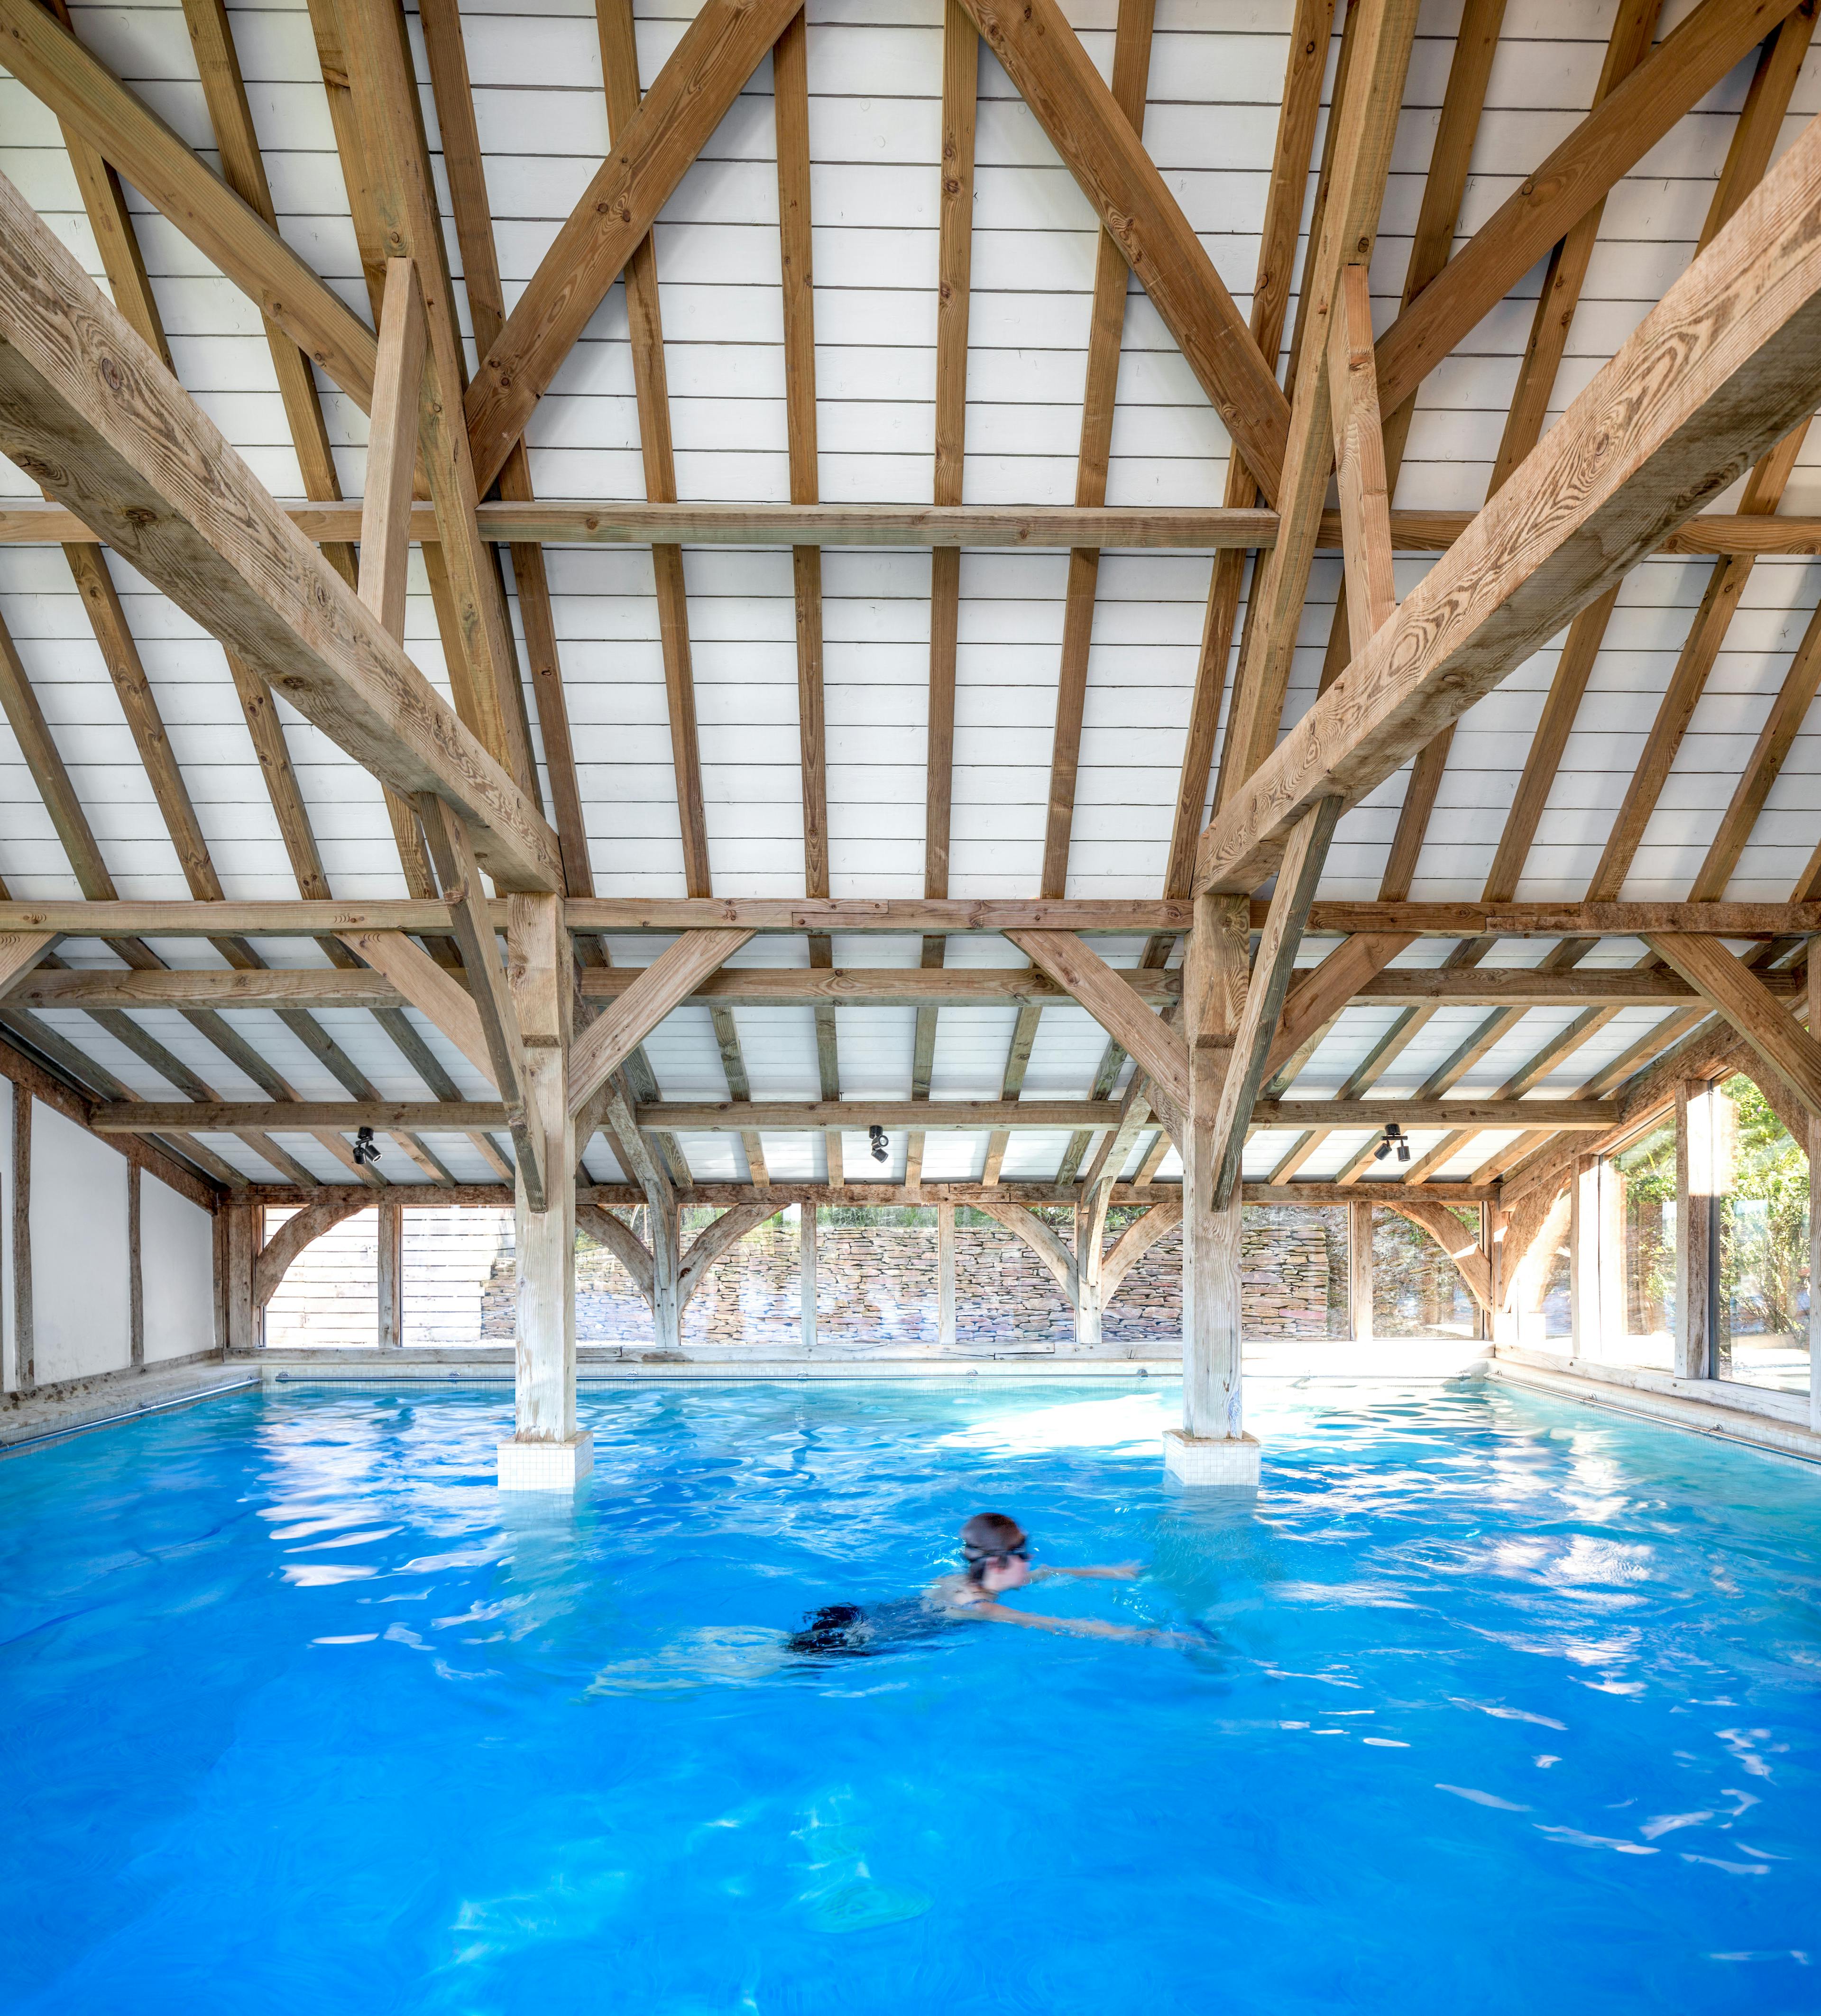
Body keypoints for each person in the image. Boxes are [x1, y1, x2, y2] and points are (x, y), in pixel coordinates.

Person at [785, 1512, 1179, 1656]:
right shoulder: (980, 1607)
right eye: (1022, 1554)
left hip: (851, 1616)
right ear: (995, 1563)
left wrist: (1118, 1572)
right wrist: (1148, 1636)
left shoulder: (958, 1580)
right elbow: (1061, 1625)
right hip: (853, 1643)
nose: (1031, 1559)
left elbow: (1048, 1572)